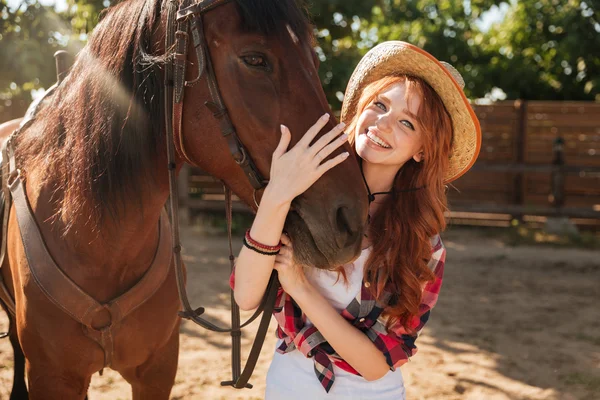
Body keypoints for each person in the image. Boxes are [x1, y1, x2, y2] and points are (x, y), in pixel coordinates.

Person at [231, 41, 481, 399]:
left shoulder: (422, 244)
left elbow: (376, 364)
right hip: (287, 388)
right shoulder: (306, 194)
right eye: (379, 104)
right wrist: (278, 194)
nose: (382, 123)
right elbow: (245, 295)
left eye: (406, 122)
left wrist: (300, 288)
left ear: (423, 150)